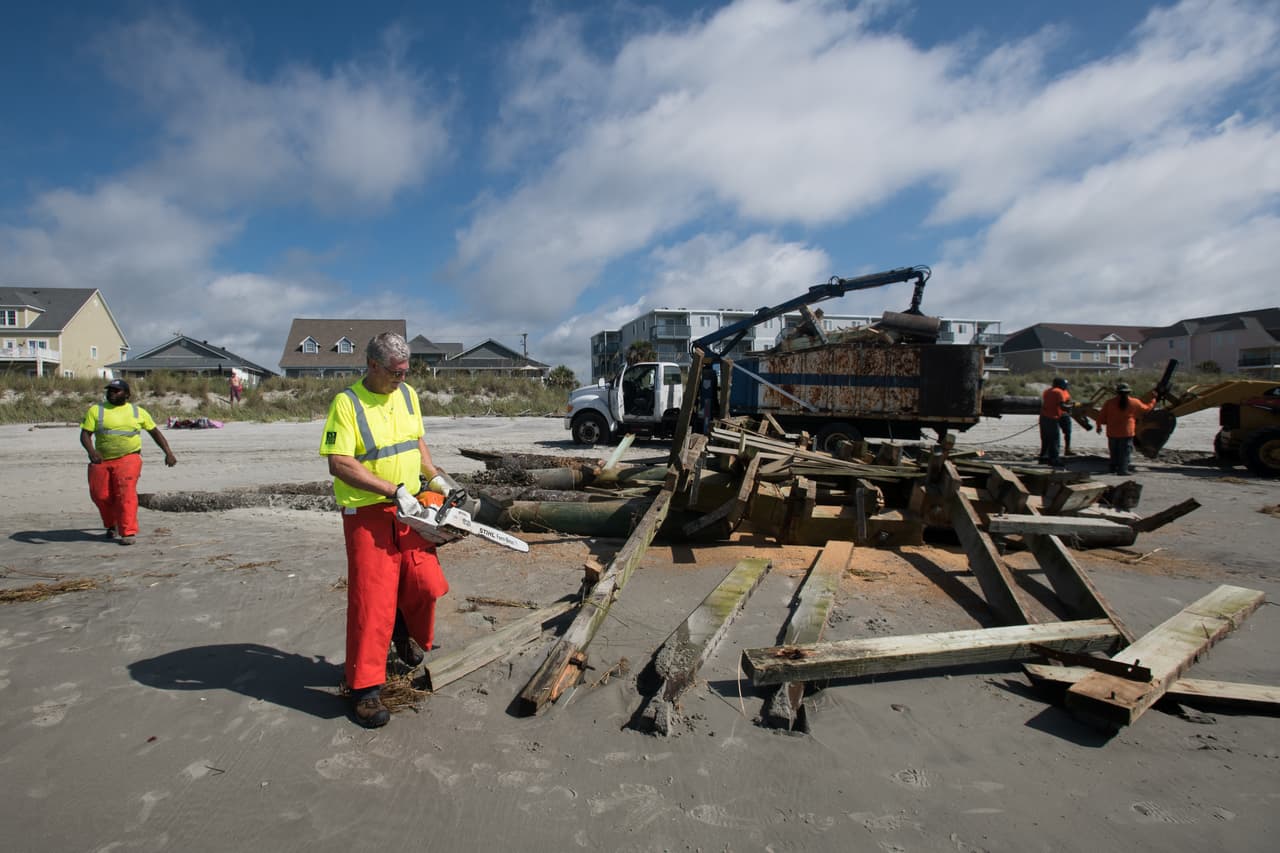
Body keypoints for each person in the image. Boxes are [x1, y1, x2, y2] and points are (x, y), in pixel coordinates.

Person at [319, 332, 464, 728]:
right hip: (369, 515)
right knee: (371, 602)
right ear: (373, 366)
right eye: (396, 373)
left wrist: (439, 482)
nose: (402, 379)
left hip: (413, 509)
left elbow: (417, 447)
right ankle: (364, 690)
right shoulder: (346, 405)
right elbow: (339, 463)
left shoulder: (408, 395)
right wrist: (391, 490)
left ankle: (404, 632)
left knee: (426, 584)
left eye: (406, 372)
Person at [79, 379, 178, 545]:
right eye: (109, 390)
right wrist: (91, 451)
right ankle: (112, 524)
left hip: (129, 457)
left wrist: (168, 453)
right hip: (101, 459)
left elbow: (155, 432)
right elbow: (85, 434)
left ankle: (128, 532)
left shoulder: (138, 412)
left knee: (126, 493)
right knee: (100, 495)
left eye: (116, 390)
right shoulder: (96, 410)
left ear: (127, 394)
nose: (111, 393)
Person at [1096, 381, 1156, 475]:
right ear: (1129, 392)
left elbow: (1101, 416)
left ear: (1117, 392)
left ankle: (1113, 468)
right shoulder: (1134, 402)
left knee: (1114, 450)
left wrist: (1099, 427)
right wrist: (1153, 400)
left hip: (1112, 432)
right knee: (1125, 451)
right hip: (1126, 432)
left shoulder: (1110, 403)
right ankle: (1123, 470)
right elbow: (1146, 409)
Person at [1038, 377, 1071, 467]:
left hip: (1043, 417)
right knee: (1054, 440)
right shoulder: (1059, 392)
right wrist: (1071, 407)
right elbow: (1062, 406)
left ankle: (1043, 458)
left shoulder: (1047, 391)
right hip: (1052, 418)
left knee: (1046, 439)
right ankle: (1054, 459)